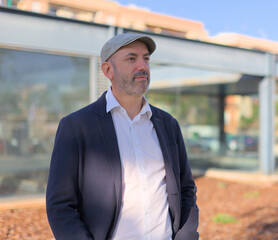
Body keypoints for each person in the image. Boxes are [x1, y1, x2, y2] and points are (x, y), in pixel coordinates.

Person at [46, 32, 199, 240]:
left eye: (146, 58)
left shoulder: (168, 125)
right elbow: (60, 206)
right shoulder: (76, 127)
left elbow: (186, 189)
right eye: (131, 58)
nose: (143, 66)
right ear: (108, 70)